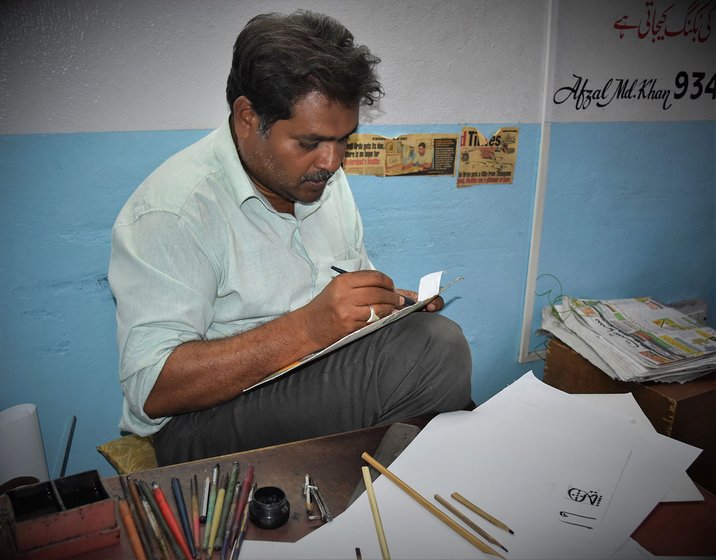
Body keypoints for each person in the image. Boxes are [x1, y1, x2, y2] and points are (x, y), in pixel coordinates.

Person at [109, 10, 473, 466]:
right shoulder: (173, 211)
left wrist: (381, 307)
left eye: (345, 140)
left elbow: (342, 305)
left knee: (424, 350)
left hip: (306, 381)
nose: (332, 160)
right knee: (434, 352)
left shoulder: (322, 180)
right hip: (199, 424)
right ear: (247, 117)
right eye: (310, 142)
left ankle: (386, 496)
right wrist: (308, 327)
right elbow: (153, 389)